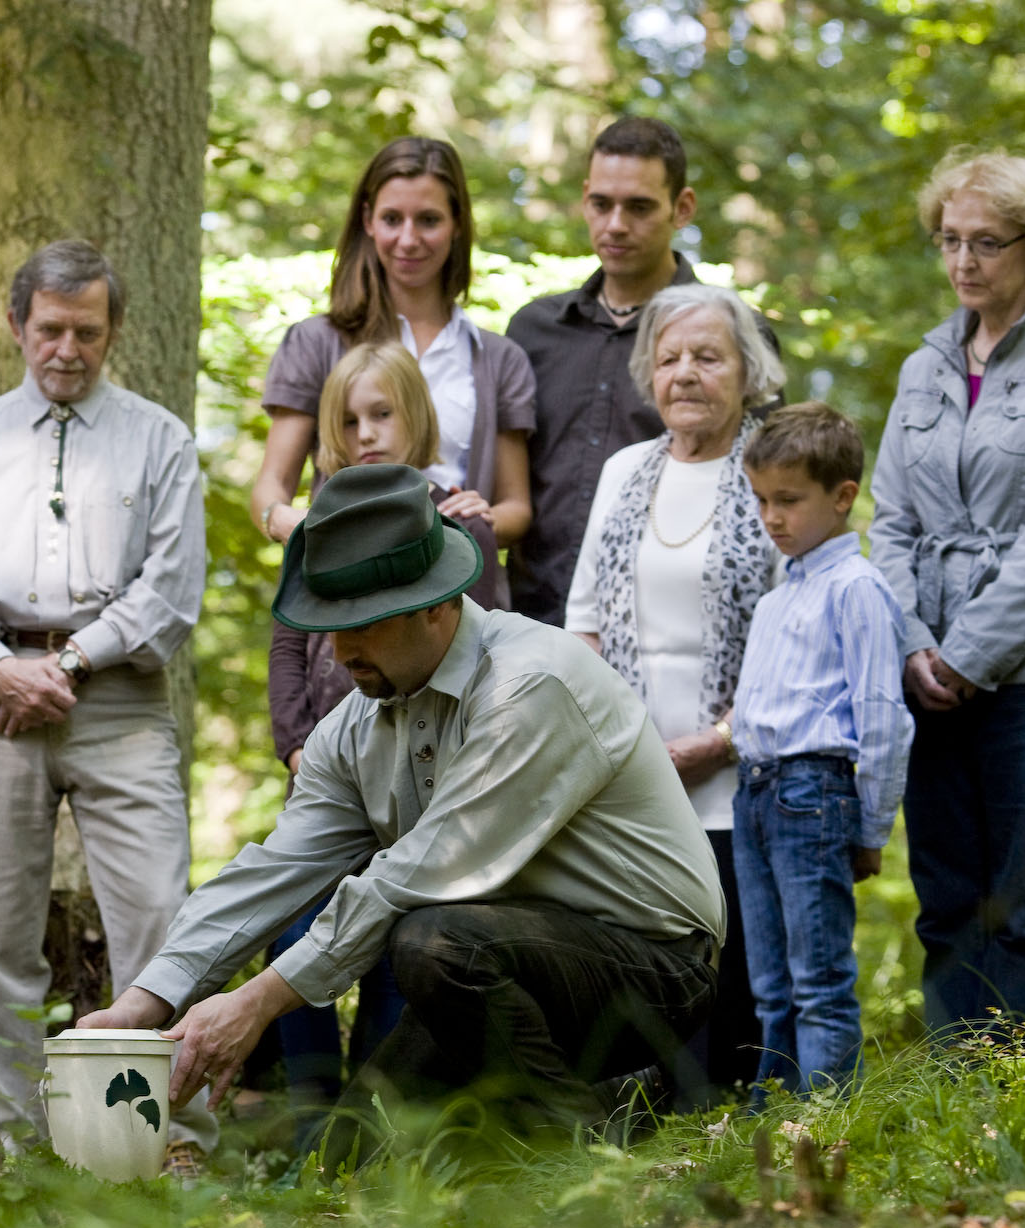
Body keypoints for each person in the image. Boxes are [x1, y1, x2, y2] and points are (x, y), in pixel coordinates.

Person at [81, 463, 723, 1142]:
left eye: (364, 622)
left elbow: (424, 869)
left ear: (436, 602)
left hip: (650, 968)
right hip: (496, 965)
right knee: (349, 1158)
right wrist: (146, 999)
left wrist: (256, 1001)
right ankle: (571, 1110)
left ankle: (586, 1157)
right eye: (329, 622)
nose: (340, 648)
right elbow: (274, 869)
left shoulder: (531, 684)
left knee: (431, 940)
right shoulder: (354, 730)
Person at [0, 239, 215, 1159]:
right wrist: (1, 665)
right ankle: (6, 1143)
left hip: (119, 699)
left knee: (157, 917)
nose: (67, 349)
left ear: (112, 330)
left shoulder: (160, 438)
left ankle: (169, 1138)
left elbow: (172, 591)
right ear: (16, 326)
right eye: (50, 329)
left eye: (87, 330)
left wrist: (69, 663)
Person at [867, 151, 1025, 1038]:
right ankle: (949, 1103)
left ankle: (1018, 1106)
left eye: (986, 243)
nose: (964, 261)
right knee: (947, 898)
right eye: (950, 241)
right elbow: (888, 521)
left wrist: (970, 652)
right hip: (925, 663)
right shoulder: (922, 365)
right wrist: (913, 646)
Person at [563, 282, 782, 1101]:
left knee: (730, 988)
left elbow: (799, 633)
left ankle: (725, 1147)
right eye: (669, 356)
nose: (686, 373)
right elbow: (581, 625)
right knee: (636, 978)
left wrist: (717, 740)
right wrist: (623, 746)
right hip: (630, 783)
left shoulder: (775, 465)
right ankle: (637, 1144)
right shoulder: (625, 470)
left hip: (740, 779)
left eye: (708, 356)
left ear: (748, 370)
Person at [508, 117, 778, 626]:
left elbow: (768, 490)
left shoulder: (734, 338)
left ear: (683, 208)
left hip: (672, 626)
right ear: (584, 197)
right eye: (602, 204)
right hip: (532, 621)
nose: (615, 225)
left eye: (639, 207)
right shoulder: (532, 332)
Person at [248, 136, 535, 609]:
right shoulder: (318, 343)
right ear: (367, 221)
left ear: (457, 224)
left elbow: (517, 508)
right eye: (391, 219)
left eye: (428, 220)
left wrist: (484, 519)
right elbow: (271, 485)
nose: (408, 239)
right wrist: (288, 521)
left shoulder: (499, 359)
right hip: (347, 595)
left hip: (464, 598)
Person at [263, 344, 431, 1127]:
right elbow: (286, 643)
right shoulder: (316, 520)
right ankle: (308, 1111)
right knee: (293, 926)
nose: (366, 433)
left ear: (416, 419)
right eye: (349, 420)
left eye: (382, 415)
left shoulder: (445, 516)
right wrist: (296, 745)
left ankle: (372, 1118)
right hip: (321, 779)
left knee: (396, 942)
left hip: (412, 791)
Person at [729, 404, 912, 1094]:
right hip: (757, 790)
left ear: (841, 497)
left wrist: (870, 827)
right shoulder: (782, 591)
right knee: (769, 981)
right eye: (761, 499)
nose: (771, 517)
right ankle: (776, 1116)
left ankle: (830, 1122)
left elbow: (883, 718)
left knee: (818, 981)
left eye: (788, 500)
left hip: (813, 794)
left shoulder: (856, 587)